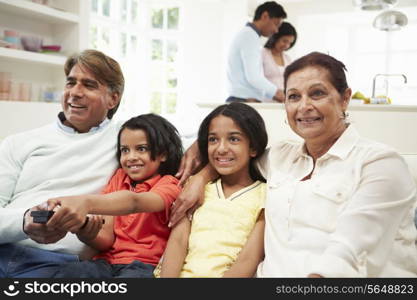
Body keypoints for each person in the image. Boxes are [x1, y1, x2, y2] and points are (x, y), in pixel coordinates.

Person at [171, 52, 417, 277]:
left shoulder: (380, 164)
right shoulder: (280, 157)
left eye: (317, 93)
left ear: (345, 99)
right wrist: (200, 177)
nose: (304, 106)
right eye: (294, 97)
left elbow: (347, 254)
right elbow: (231, 157)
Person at [0, 49, 125, 278]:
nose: (75, 93)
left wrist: (199, 178)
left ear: (113, 98)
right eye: (70, 83)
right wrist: (25, 221)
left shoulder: (128, 139)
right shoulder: (18, 142)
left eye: (89, 85)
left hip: (56, 265)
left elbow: (201, 143)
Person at [43, 114, 183, 278]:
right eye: (125, 150)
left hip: (143, 265)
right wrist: (83, 229)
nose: (131, 157)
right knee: (70, 273)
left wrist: (86, 202)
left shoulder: (170, 185)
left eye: (141, 149)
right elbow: (106, 239)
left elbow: (135, 202)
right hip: (104, 262)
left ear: (163, 154)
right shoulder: (119, 178)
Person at [155, 102, 267, 277]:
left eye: (234, 139)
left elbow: (249, 258)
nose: (221, 148)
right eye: (213, 139)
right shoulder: (195, 190)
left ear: (253, 147)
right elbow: (178, 242)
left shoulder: (265, 195)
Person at [226, 1, 287, 103]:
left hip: (242, 99)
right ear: (265, 16)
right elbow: (254, 77)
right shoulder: (249, 36)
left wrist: (275, 94)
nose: (276, 30)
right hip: (243, 100)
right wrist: (278, 93)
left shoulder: (248, 35)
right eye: (276, 24)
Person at [262, 21, 297, 102]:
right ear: (275, 37)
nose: (287, 45)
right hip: (265, 101)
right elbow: (256, 80)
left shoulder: (288, 59)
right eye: (284, 41)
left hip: (283, 101)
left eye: (290, 43)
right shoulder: (262, 54)